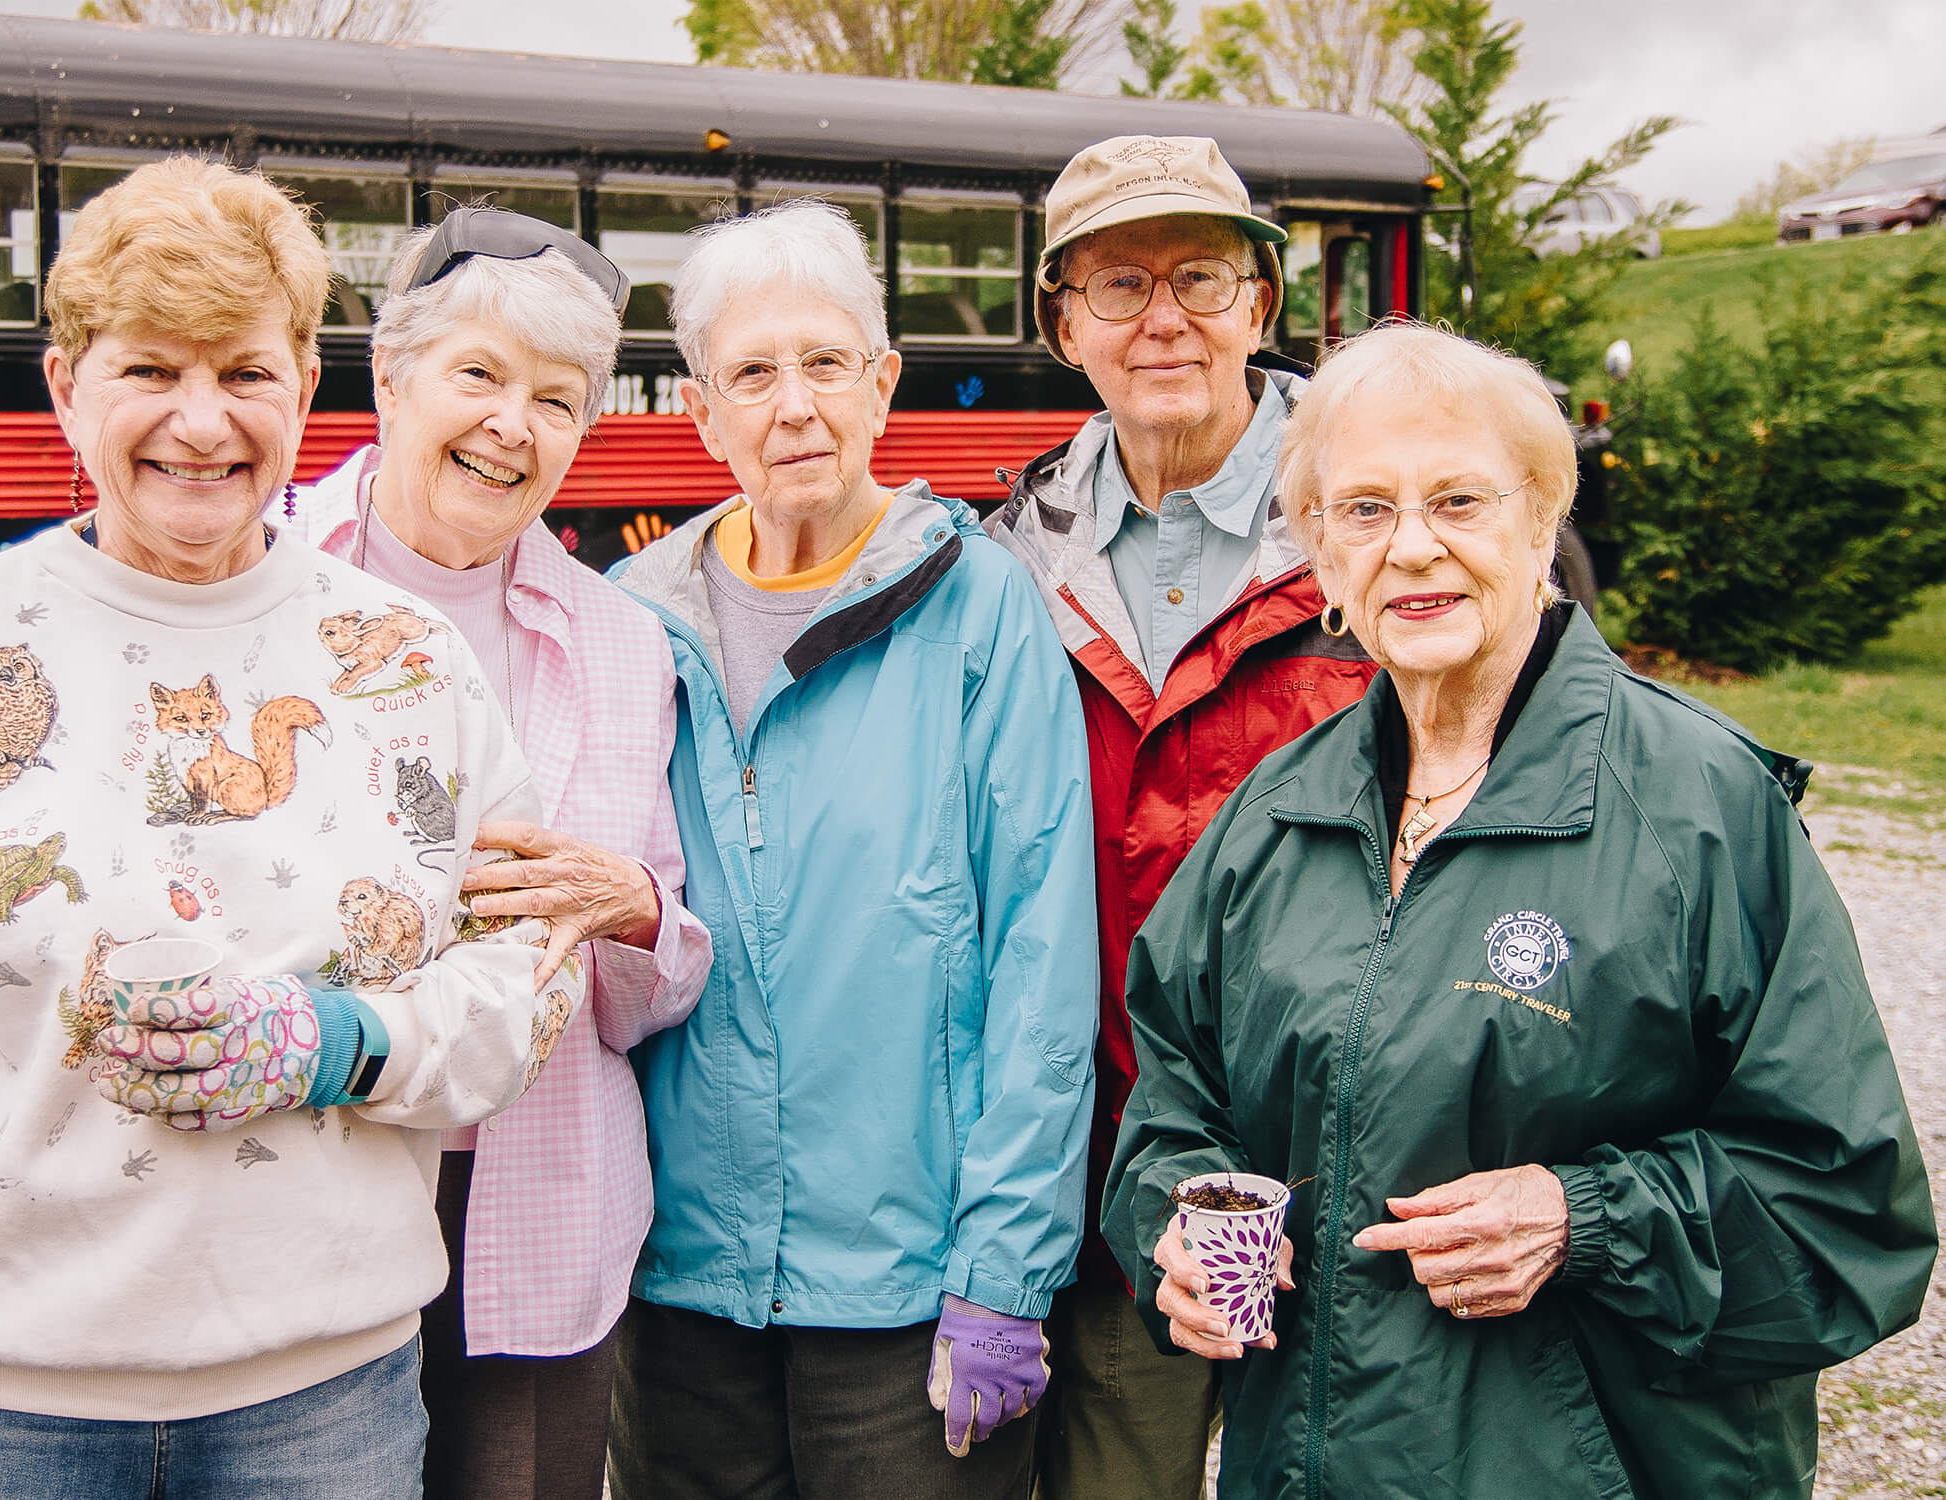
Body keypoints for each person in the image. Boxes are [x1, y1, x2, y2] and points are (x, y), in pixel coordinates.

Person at [0, 157, 578, 1500]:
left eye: (245, 374)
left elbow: (526, 975)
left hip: (319, 1399)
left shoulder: (406, 661)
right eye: (151, 370)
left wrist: (348, 1044)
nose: (201, 423)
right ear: (64, 386)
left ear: (305, 391)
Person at [1108, 321, 1936, 1497]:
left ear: (1540, 519)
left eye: (1456, 501)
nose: (1409, 549)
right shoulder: (1274, 813)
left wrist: (1581, 1220)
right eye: (1361, 511)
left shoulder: (1696, 807)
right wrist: (1172, 1229)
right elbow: (1175, 1105)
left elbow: (1847, 1209)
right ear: (1319, 561)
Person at [603, 200, 1098, 1499]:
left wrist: (1006, 1271)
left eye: (826, 363)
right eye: (753, 374)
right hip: (681, 1283)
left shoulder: (981, 608)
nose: (796, 407)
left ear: (883, 385)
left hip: (912, 1288)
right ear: (702, 414)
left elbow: (1042, 961)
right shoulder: (629, 624)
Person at [268, 206, 712, 1500]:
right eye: (479, 375)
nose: (514, 424)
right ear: (389, 377)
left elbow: (662, 978)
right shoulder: (253, 566)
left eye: (558, 399)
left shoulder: (622, 644)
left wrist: (633, 909)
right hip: (298, 1177)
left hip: (534, 1196)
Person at [981, 133, 1378, 1495]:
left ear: (1261, 307)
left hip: (1339, 1144)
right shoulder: (1001, 557)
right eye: (1117, 286)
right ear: (1064, 326)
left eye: (1202, 277)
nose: (1163, 318)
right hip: (1084, 1145)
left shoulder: (1377, 530)